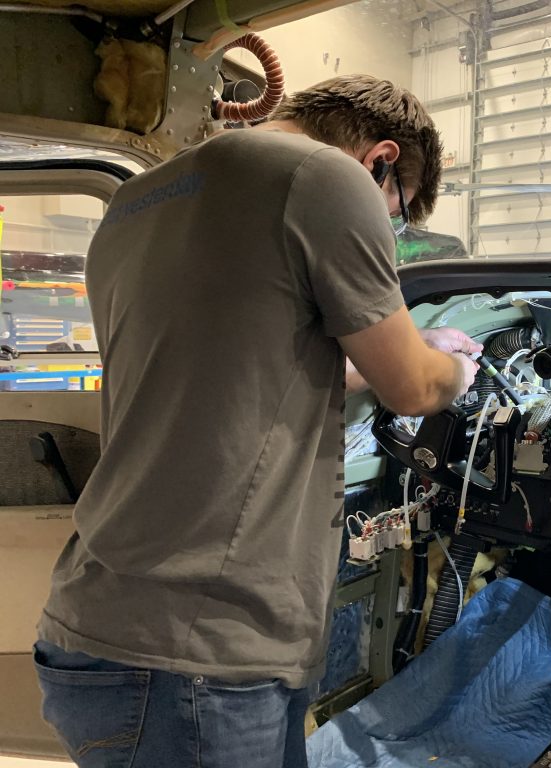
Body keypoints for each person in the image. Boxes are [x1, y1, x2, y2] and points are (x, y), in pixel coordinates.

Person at [33, 74, 480, 767]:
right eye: (396, 210)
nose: (386, 225)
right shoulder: (322, 177)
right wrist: (456, 368)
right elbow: (416, 388)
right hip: (198, 655)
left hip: (105, 624)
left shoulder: (133, 199)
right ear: (381, 159)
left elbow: (237, 367)